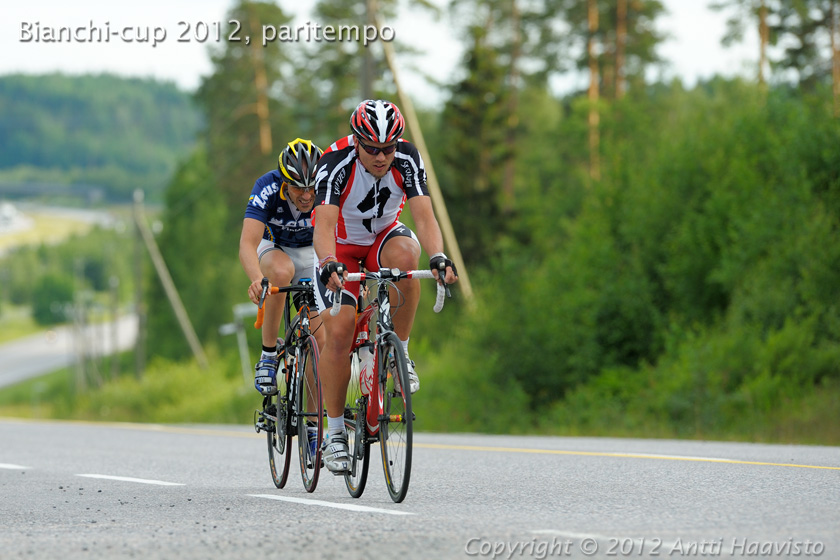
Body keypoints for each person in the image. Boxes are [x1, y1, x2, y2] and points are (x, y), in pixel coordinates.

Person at [312, 99, 458, 474]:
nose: (381, 157)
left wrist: (439, 256)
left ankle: (401, 351)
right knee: (341, 332)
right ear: (356, 140)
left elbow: (423, 215)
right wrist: (329, 263)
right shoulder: (334, 162)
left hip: (382, 239)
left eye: (389, 148)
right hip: (340, 247)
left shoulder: (408, 159)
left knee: (409, 257)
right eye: (373, 149)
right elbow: (324, 226)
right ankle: (336, 434)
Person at [239, 138, 324, 400]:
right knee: (279, 272)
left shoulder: (329, 187)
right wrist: (256, 279)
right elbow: (247, 243)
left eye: (312, 187)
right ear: (284, 182)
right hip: (275, 247)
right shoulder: (267, 187)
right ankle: (267, 355)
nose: (307, 195)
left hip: (312, 253)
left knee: (319, 341)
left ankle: (312, 424)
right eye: (299, 188)